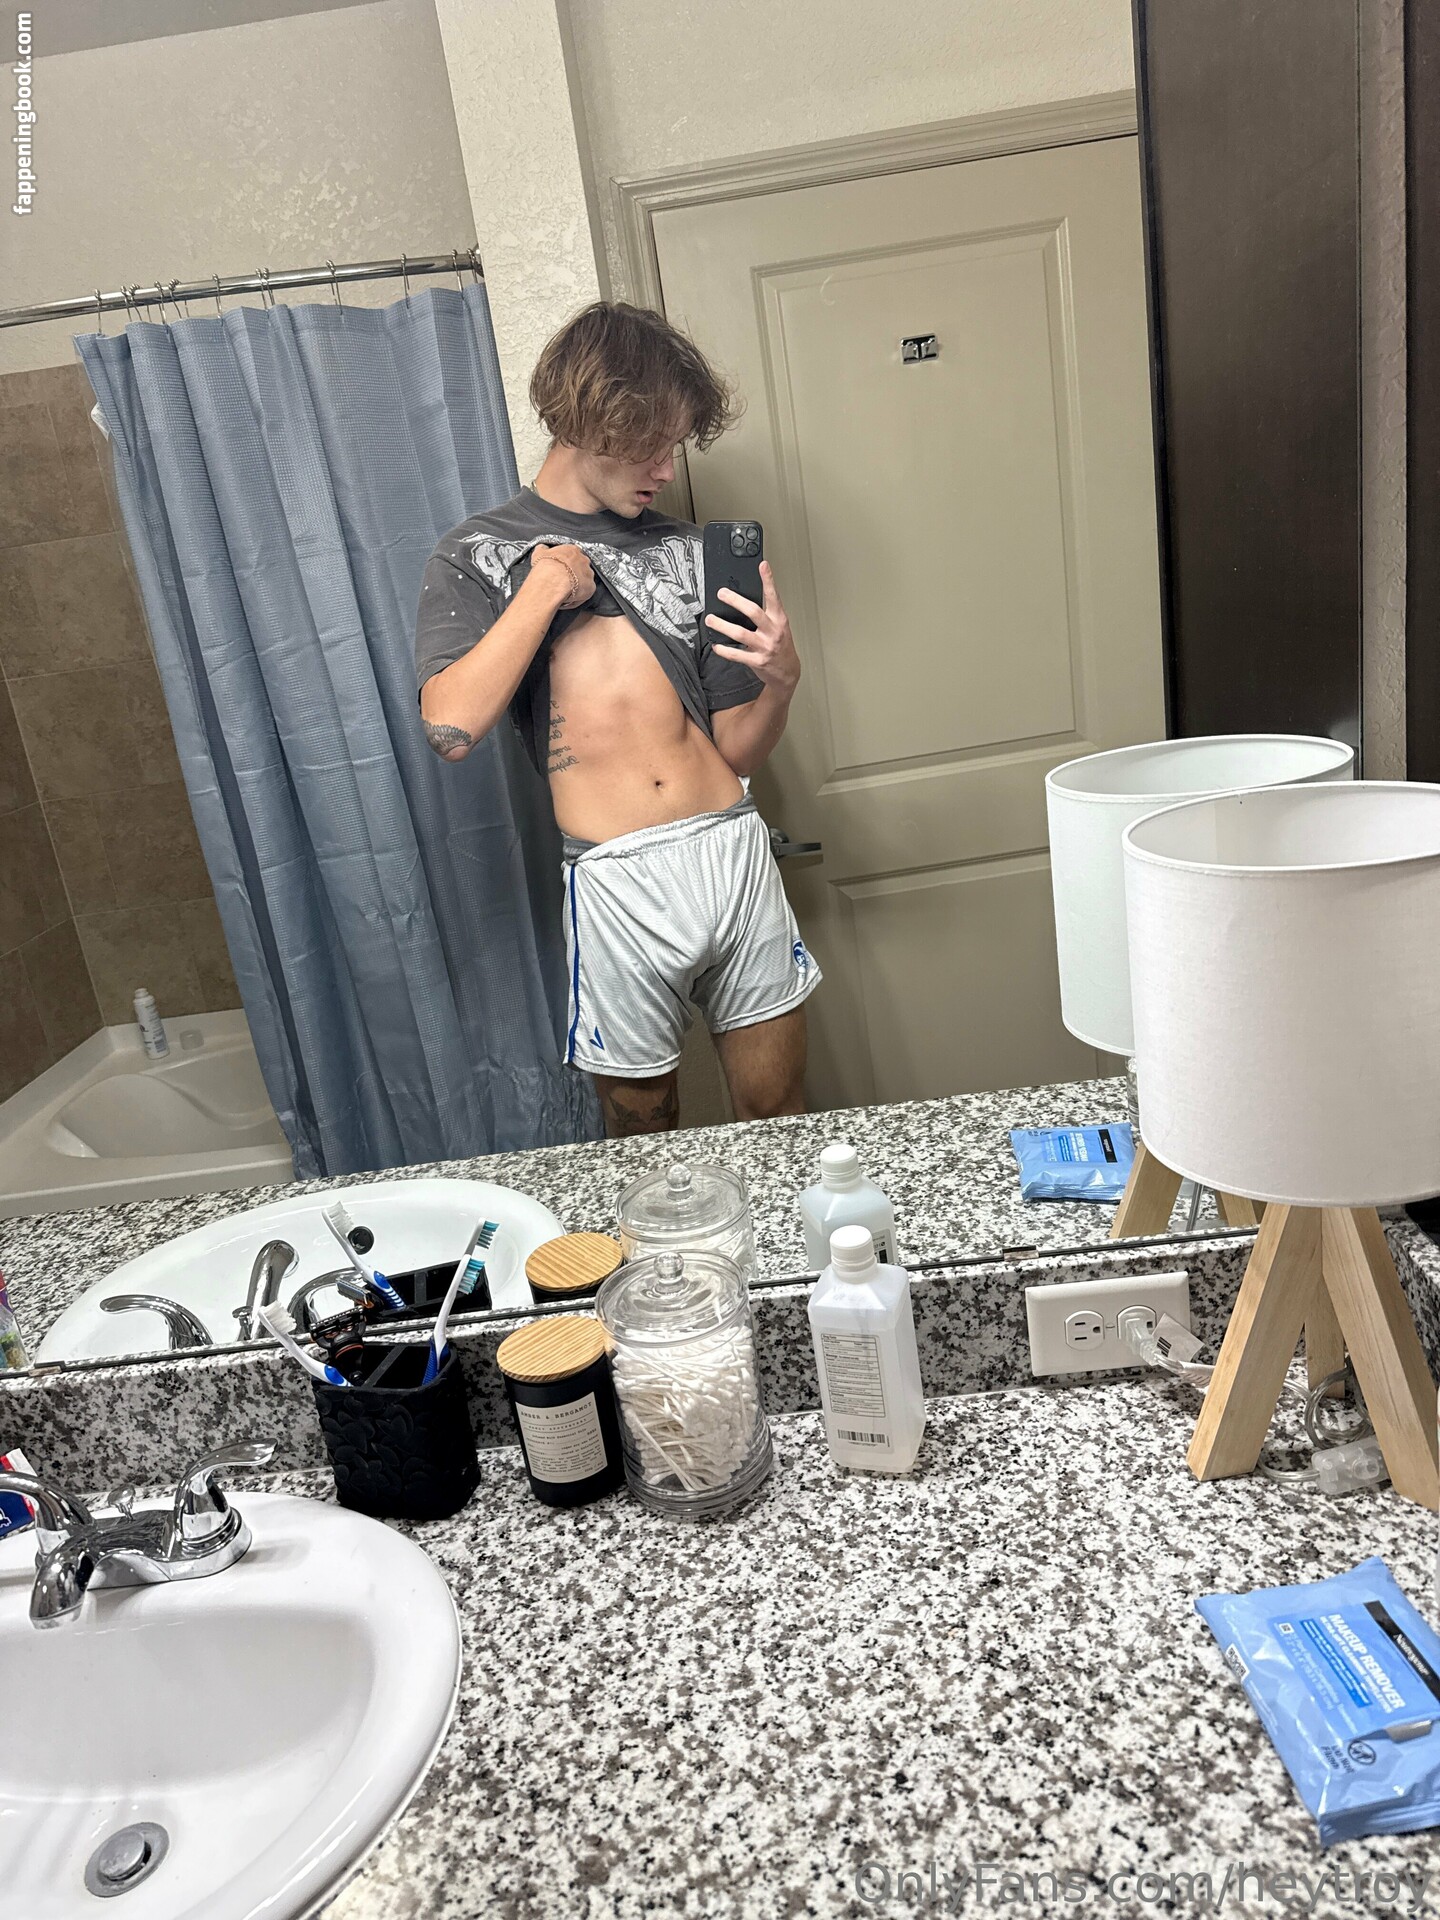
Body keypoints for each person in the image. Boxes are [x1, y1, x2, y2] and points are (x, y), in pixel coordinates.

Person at [413, 301, 822, 1136]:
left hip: (731, 850)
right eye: (652, 445)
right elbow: (449, 727)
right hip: (617, 878)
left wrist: (780, 683)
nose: (667, 470)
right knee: (642, 1134)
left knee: (778, 1113)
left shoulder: (687, 552)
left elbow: (737, 749)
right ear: (592, 420)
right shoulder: (479, 553)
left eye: (676, 446)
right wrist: (541, 591)